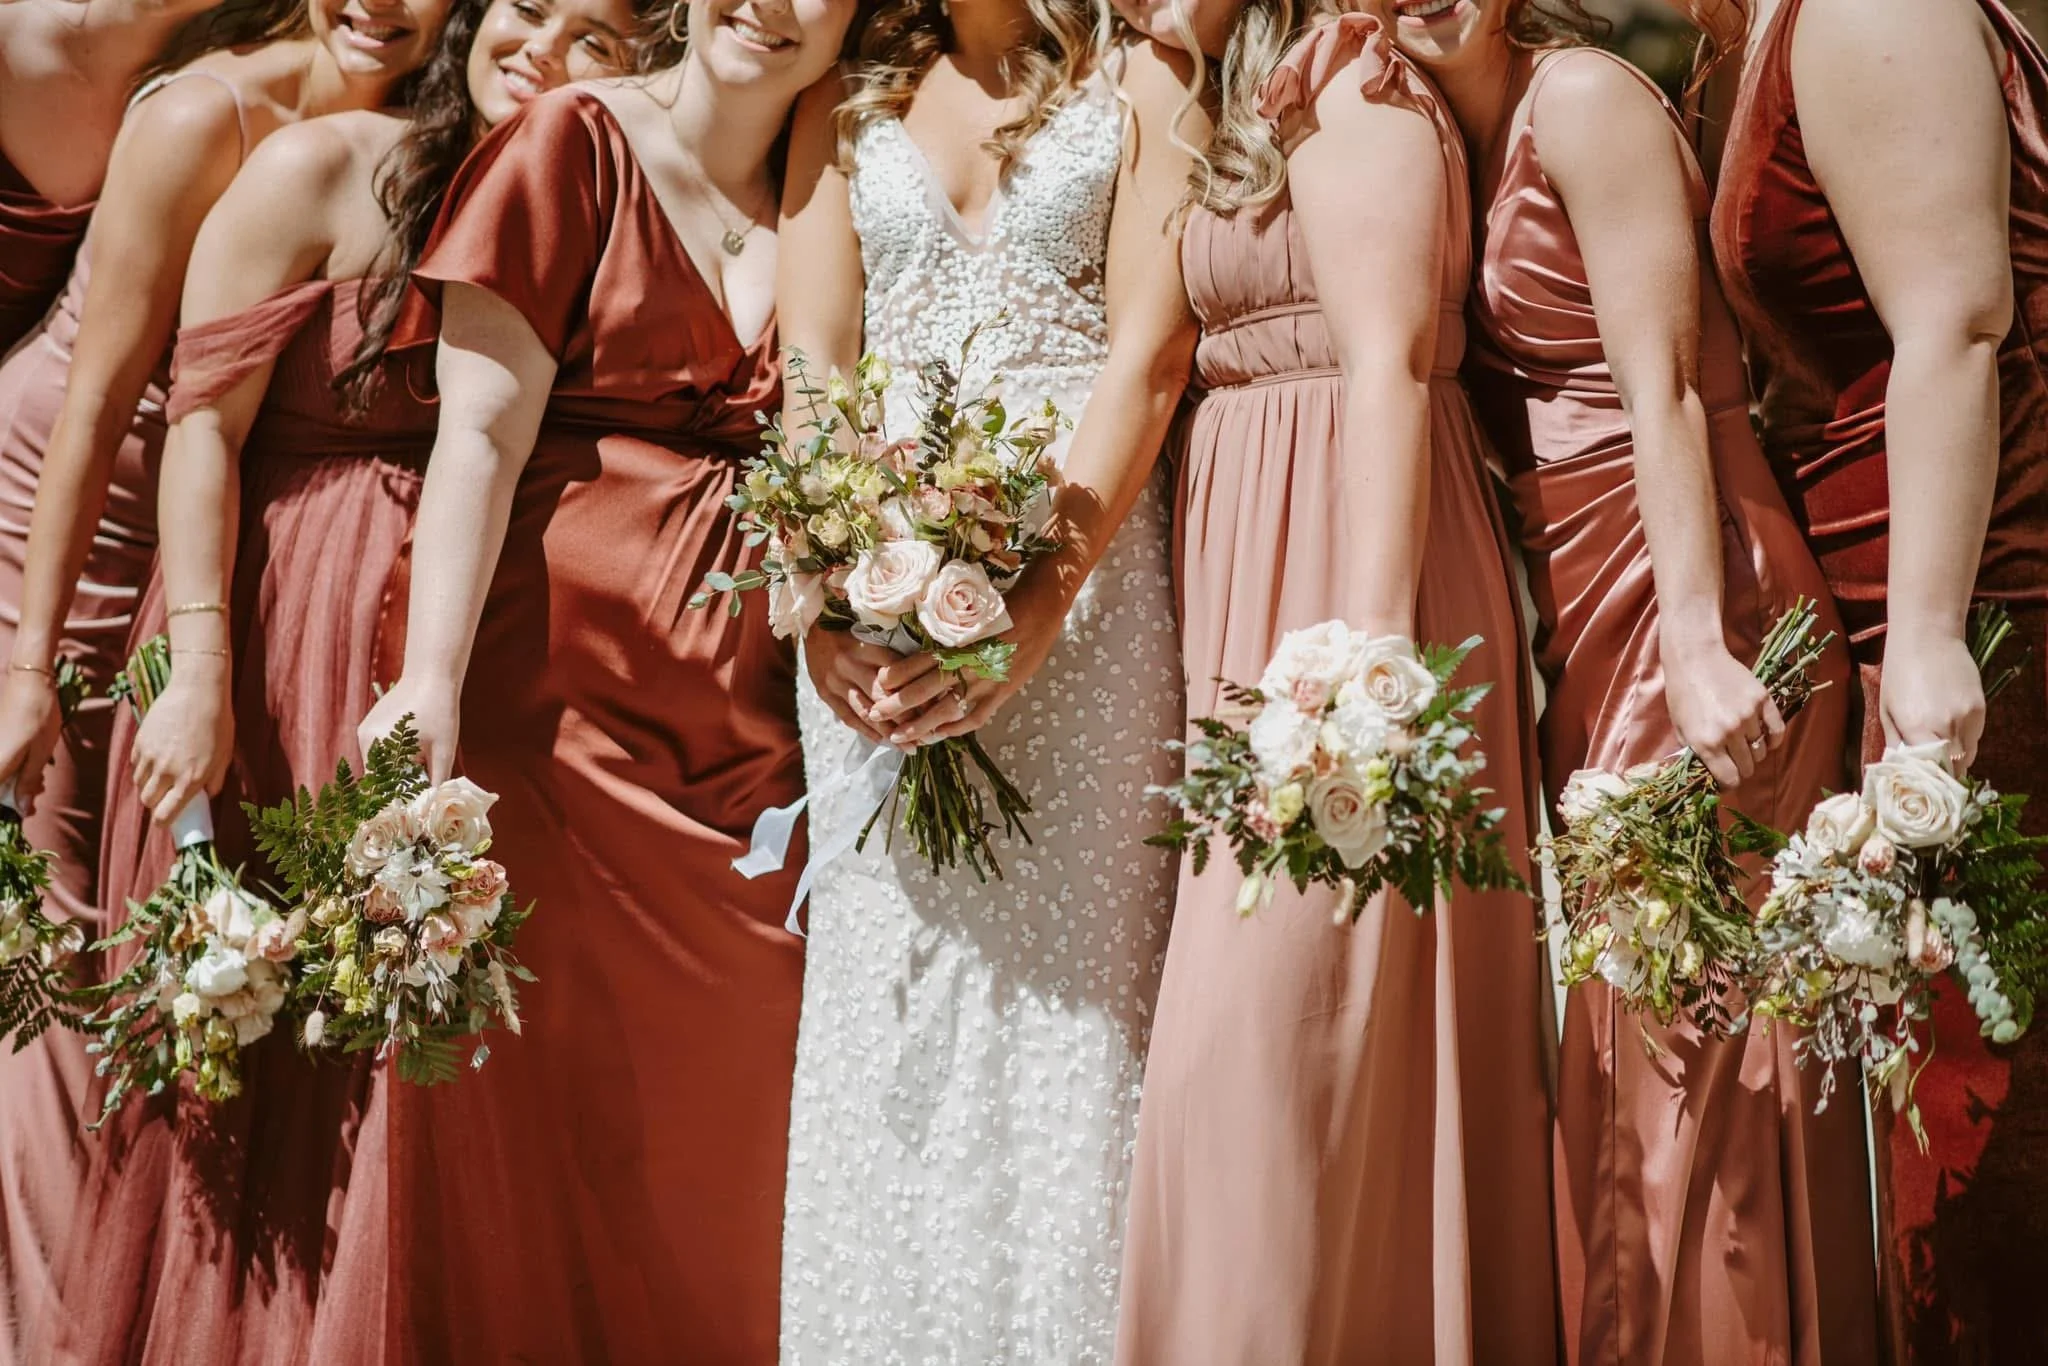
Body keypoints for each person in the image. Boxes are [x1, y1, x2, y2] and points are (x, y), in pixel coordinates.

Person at [30, 3, 634, 1361]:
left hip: (432, 675)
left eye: (594, 38)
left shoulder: (580, 214)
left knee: (381, 1066)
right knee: (239, 1060)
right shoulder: (320, 168)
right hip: (264, 638)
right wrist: (195, 673)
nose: (539, 50)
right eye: (526, 12)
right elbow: (196, 427)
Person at [356, 0, 857, 1353]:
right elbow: (477, 435)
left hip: (746, 747)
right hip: (550, 728)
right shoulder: (575, 143)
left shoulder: (838, 181)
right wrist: (432, 682)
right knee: (539, 1113)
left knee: (723, 1129)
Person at [1383, 2, 1881, 1359]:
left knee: (1690, 1079)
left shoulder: (1585, 99)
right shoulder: (1440, 131)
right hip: (1587, 617)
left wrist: (1701, 639)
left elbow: (1660, 387)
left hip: (1690, 588)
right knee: (1644, 1062)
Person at [0, 0, 454, 1356]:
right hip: (62, 526)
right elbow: (93, 400)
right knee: (59, 970)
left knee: (133, 964)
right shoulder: (212, 113)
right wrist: (30, 662)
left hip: (193, 548)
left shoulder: (430, 130)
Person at [1105, 2, 1558, 1360]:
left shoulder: (1356, 74)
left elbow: (1387, 365)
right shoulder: (1227, 88)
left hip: (1352, 567)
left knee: (1276, 1038)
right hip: (1249, 561)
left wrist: (1366, 670)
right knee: (1279, 1045)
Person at [771, 0, 1200, 1352]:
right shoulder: (836, 102)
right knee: (886, 1009)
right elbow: (811, 377)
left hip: (1087, 597)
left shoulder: (1145, 78)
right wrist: (825, 602)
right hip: (874, 600)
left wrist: (1035, 603)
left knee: (1074, 1012)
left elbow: (1152, 350)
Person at [1706, 0, 2048, 1357]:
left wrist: (1925, 634)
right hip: (1955, 618)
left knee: (1984, 1164)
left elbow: (1957, 320)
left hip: (1991, 629)